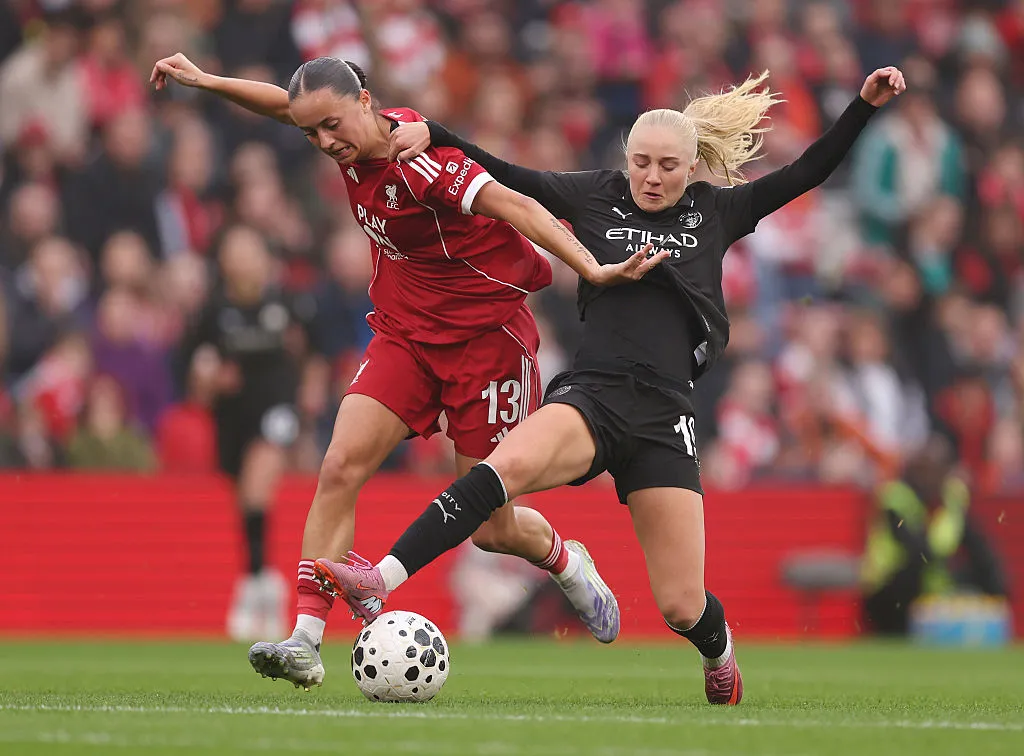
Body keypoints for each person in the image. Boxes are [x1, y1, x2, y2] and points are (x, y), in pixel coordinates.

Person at [311, 66, 908, 706]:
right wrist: (435, 131)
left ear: (692, 166)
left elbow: (808, 173)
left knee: (682, 605)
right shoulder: (595, 195)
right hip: (591, 398)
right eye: (642, 163)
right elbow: (502, 173)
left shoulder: (719, 209)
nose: (653, 178)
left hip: (664, 417)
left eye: (669, 166)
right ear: (626, 159)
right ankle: (381, 577)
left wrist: (863, 108)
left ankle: (718, 649)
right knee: (495, 472)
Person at [151, 53, 664, 689]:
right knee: (340, 466)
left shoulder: (423, 161)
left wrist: (590, 269)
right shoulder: (341, 134)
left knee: (491, 529)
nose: (324, 143)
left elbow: (517, 208)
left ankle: (565, 559)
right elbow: (284, 104)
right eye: (312, 134)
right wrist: (206, 80)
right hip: (405, 339)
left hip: (487, 344)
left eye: (332, 125)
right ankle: (305, 640)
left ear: (365, 101)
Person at [181, 225, 322, 643]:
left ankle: (254, 586)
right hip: (232, 415)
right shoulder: (212, 311)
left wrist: (311, 390)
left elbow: (312, 355)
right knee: (244, 494)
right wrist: (209, 381)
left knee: (258, 485)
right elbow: (194, 372)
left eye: (250, 250)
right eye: (233, 251)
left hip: (277, 407)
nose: (242, 259)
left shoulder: (287, 303)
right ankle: (261, 578)